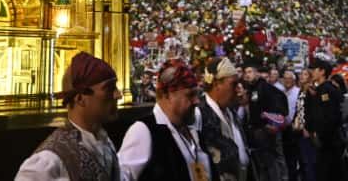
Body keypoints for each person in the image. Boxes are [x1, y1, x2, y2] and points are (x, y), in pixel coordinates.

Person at [17, 52, 122, 181]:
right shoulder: (49, 161)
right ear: (80, 99)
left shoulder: (104, 142)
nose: (118, 95)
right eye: (110, 88)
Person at [119, 59, 211, 181]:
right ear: (166, 94)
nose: (196, 101)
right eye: (190, 95)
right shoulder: (144, 131)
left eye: (197, 94)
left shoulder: (192, 131)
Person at [196, 57, 249, 181]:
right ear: (216, 84)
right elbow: (195, 159)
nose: (238, 89)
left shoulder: (230, 111)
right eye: (233, 84)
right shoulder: (199, 113)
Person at [243, 64, 288, 181]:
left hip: (266, 130)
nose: (247, 75)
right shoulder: (252, 88)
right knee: (263, 162)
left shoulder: (265, 87)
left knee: (271, 160)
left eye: (249, 72)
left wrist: (274, 124)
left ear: (257, 73)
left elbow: (281, 102)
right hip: (257, 131)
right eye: (245, 73)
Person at [304, 58, 345, 181]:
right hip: (324, 141)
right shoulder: (318, 90)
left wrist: (320, 134)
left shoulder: (327, 90)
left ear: (322, 72)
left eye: (315, 69)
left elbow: (330, 116)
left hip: (330, 140)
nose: (312, 72)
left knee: (331, 172)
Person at [292, 69, 316, 181]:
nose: (302, 76)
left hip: (309, 131)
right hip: (299, 130)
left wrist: (308, 128)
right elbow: (299, 109)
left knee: (311, 161)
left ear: (310, 77)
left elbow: (312, 111)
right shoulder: (300, 91)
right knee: (304, 161)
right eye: (301, 74)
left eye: (305, 74)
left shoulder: (311, 91)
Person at [279, 70, 300, 181]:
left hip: (294, 129)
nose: (287, 81)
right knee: (287, 158)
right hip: (284, 130)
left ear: (294, 80)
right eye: (285, 78)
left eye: (289, 78)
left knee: (293, 159)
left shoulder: (298, 92)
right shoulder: (281, 92)